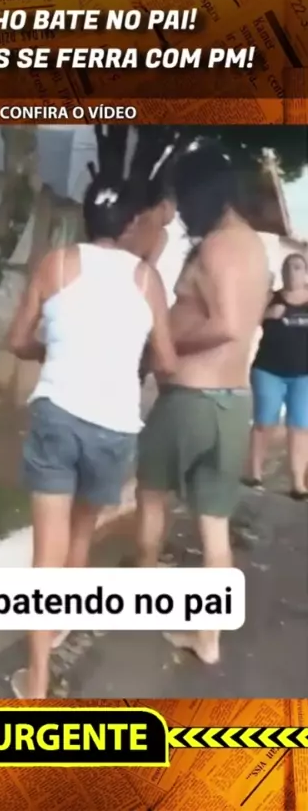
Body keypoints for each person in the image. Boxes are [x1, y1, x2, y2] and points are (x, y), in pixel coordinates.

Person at [7, 175, 177, 698]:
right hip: (113, 425)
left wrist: (51, 350)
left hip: (58, 414)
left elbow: (17, 340)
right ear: (129, 224)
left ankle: (36, 680)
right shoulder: (147, 280)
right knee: (81, 534)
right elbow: (168, 362)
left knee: (47, 552)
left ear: (85, 216)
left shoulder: (56, 264)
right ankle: (60, 624)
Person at [136, 142, 271, 665]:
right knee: (214, 525)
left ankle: (143, 595)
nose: (183, 214)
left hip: (192, 399)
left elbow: (227, 325)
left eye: (184, 198)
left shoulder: (218, 247)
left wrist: (167, 344)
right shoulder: (253, 246)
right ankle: (208, 638)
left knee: (151, 494)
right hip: (233, 402)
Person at [244, 253, 308, 500]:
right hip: (269, 370)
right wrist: (268, 314)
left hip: (304, 375)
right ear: (282, 273)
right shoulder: (272, 298)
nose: (292, 271)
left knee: (300, 427)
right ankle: (254, 474)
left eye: (298, 267)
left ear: (306, 273)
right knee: (264, 423)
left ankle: (298, 483)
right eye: (288, 267)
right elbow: (247, 321)